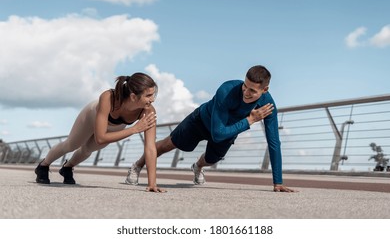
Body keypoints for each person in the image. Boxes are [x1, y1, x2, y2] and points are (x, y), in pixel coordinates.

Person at [125, 65, 295, 192]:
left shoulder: (268, 104)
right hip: (201, 121)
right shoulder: (226, 90)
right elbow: (217, 132)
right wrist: (250, 120)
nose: (246, 92)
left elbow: (274, 142)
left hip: (227, 130)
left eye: (252, 90)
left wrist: (277, 182)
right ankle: (137, 166)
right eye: (245, 85)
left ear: (265, 90)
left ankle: (197, 166)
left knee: (212, 159)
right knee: (169, 144)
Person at [34, 72, 166, 192]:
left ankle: (67, 168)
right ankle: (43, 165)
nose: (153, 99)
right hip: (91, 116)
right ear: (133, 96)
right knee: (71, 145)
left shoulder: (148, 111)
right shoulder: (108, 97)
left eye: (153, 94)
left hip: (115, 127)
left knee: (87, 149)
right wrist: (134, 129)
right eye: (148, 95)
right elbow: (101, 138)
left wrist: (152, 184)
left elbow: (150, 147)